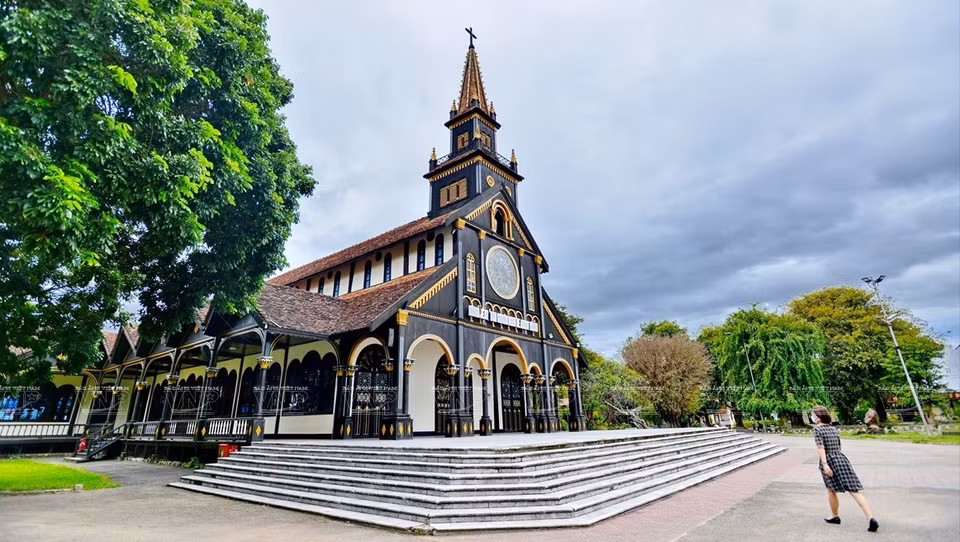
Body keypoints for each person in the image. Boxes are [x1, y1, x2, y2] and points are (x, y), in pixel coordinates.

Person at [811, 405, 879, 532]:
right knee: (854, 490)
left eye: (813, 414)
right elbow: (839, 446)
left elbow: (821, 448)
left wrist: (825, 464)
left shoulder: (817, 430)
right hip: (841, 459)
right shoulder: (833, 429)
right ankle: (870, 518)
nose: (813, 416)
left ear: (818, 417)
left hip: (829, 461)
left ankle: (835, 516)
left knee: (831, 489)